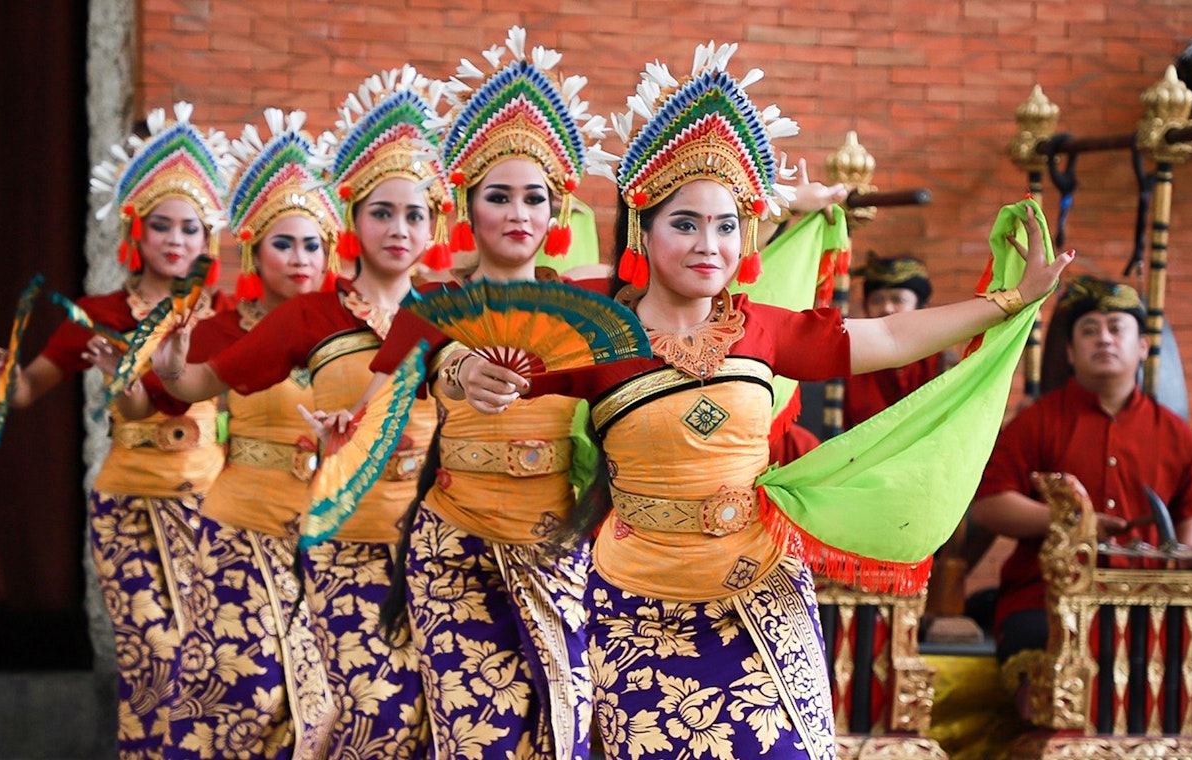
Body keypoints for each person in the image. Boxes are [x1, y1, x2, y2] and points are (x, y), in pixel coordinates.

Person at [448, 42, 1072, 759]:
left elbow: (892, 334)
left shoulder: (762, 328)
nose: (707, 243)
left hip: (760, 591)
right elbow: (492, 345)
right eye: (685, 223)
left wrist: (1006, 300)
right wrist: (467, 371)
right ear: (643, 231)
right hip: (633, 605)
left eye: (724, 225)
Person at [151, 67, 453, 758]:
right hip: (332, 541)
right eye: (381, 211)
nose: (399, 229)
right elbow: (205, 380)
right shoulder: (307, 317)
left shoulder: (452, 308)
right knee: (335, 711)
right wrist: (168, 361)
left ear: (436, 222)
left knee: (423, 730)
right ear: (353, 218)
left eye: (414, 214)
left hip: (435, 546)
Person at [353, 28, 617, 760]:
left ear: (558, 209)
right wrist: (458, 369)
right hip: (451, 538)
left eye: (535, 197)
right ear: (466, 205)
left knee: (564, 729)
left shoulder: (594, 310)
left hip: (556, 541)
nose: (518, 212)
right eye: (498, 196)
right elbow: (408, 371)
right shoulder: (431, 306)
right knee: (473, 736)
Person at [0, 102, 232, 759]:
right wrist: (8, 377)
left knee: (210, 658)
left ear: (208, 238)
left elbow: (218, 395)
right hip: (127, 501)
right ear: (135, 231)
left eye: (190, 228)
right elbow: (33, 387)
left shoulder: (227, 314)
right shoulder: (98, 314)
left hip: (213, 503)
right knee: (153, 656)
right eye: (161, 226)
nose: (176, 240)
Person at [161, 109, 340, 760]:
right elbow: (160, 396)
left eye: (313, 244)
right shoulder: (221, 330)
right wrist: (157, 370)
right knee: (247, 697)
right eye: (284, 243)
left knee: (319, 708)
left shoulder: (347, 336)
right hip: (243, 531)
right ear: (254, 251)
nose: (301, 258)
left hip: (325, 537)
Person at [969, 275, 1192, 717]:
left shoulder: (1177, 434)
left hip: (1148, 601)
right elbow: (991, 505)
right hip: (1045, 600)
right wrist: (1071, 524)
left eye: (1116, 328)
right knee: (1044, 692)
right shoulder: (1037, 421)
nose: (1104, 339)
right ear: (1071, 352)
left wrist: (1183, 554)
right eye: (1089, 330)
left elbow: (1191, 519)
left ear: (1143, 348)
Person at [844, 251, 951, 429]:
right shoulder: (850, 367)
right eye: (877, 300)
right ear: (865, 308)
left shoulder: (942, 365)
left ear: (921, 308)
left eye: (898, 299)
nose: (887, 308)